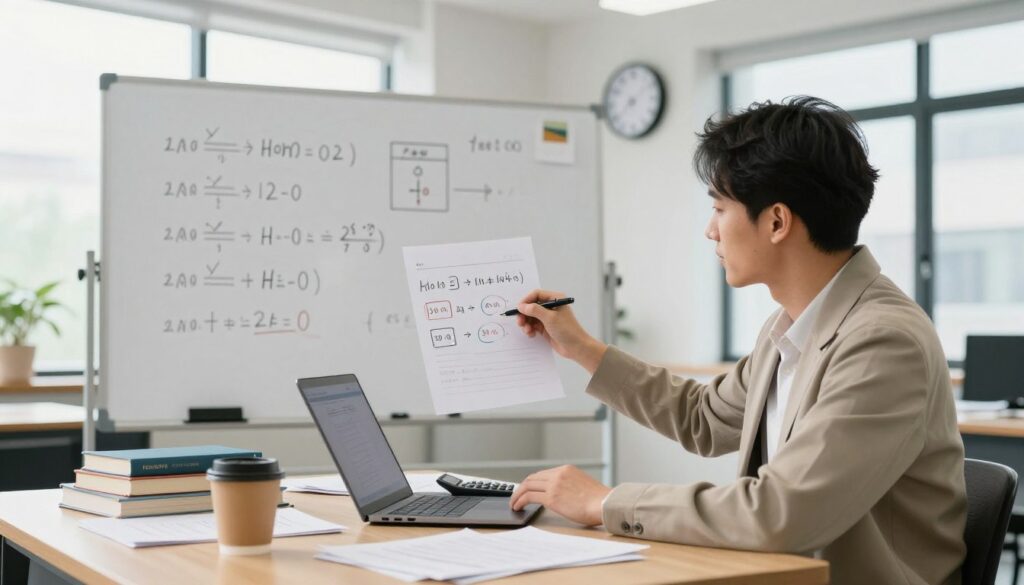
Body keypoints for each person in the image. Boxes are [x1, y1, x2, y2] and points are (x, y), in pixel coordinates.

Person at [509, 96, 966, 585]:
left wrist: (604, 502)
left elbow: (782, 511)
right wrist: (580, 347)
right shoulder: (789, 325)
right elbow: (703, 419)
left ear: (776, 221)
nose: (710, 230)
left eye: (719, 208)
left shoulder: (883, 343)